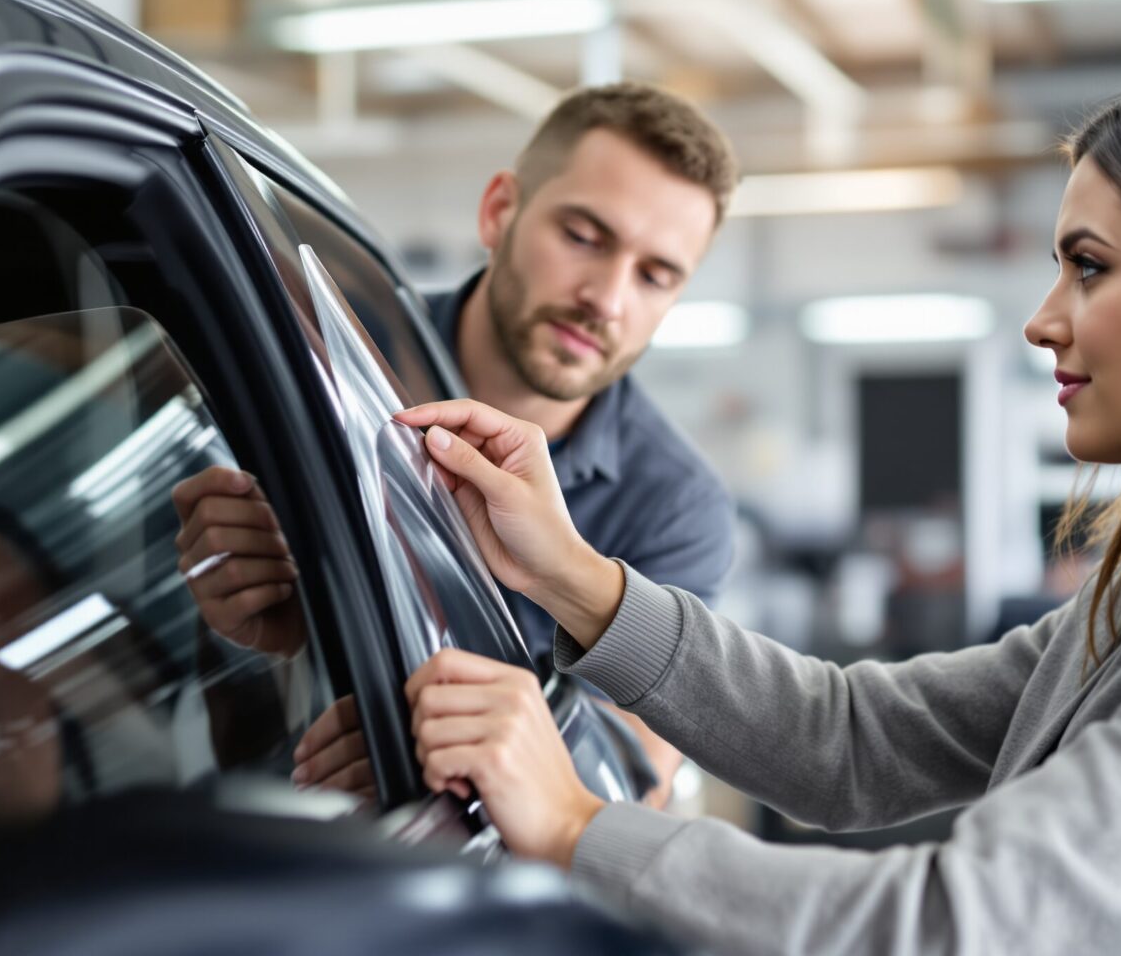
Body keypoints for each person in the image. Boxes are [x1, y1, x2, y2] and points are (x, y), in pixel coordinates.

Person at [386, 55, 1121, 955]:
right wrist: (570, 577)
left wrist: (577, 825)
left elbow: (957, 926)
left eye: (1089, 264)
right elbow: (849, 739)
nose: (1044, 318)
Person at [179, 82, 744, 807]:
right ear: (500, 210)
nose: (606, 298)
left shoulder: (673, 507)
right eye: (583, 237)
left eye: (655, 275)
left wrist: (455, 739)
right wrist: (239, 621)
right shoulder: (316, 352)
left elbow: (632, 779)